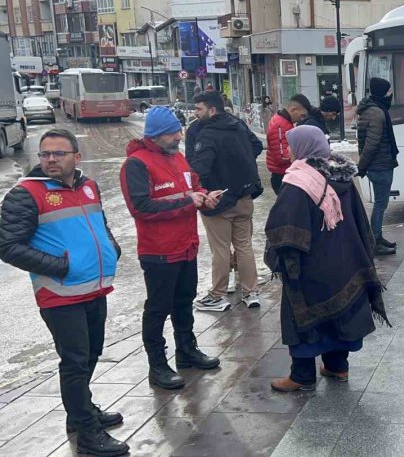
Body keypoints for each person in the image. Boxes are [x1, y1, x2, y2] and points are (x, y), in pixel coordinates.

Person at [0, 129, 128, 456]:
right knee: (74, 362)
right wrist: (60, 266)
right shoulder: (26, 194)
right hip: (59, 293)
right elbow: (8, 245)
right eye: (46, 155)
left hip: (94, 288)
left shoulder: (88, 185)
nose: (51, 160)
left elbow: (100, 224)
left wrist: (112, 249)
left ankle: (80, 412)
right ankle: (87, 433)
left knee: (92, 354)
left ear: (76, 157)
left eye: (59, 154)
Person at [265, 126, 390, 392]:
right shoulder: (341, 176)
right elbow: (360, 221)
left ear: (303, 148)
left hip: (312, 265)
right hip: (346, 262)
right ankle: (336, 366)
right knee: (339, 316)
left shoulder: (299, 183)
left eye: (291, 145)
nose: (288, 150)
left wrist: (282, 262)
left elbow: (284, 229)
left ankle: (301, 376)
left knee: (301, 315)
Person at [120, 108, 221, 391]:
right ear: (155, 135)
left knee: (184, 302)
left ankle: (187, 351)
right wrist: (189, 201)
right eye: (172, 132)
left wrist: (205, 197)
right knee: (158, 308)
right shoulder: (136, 164)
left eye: (179, 130)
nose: (179, 136)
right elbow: (141, 208)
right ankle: (157, 364)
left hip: (187, 246)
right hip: (159, 251)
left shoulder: (178, 157)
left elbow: (194, 186)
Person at [188, 91, 265, 312]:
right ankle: (251, 292)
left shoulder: (206, 134)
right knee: (244, 245)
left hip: (218, 199)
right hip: (244, 194)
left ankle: (217, 295)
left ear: (212, 110)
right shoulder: (238, 125)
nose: (195, 113)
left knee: (220, 249)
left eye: (199, 109)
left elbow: (199, 168)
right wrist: (240, 163)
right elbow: (257, 146)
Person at [356, 77, 400, 255]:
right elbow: (371, 144)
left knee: (380, 204)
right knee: (381, 204)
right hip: (380, 165)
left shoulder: (370, 109)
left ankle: (377, 237)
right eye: (389, 92)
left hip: (377, 165)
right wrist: (362, 166)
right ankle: (375, 241)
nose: (391, 95)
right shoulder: (377, 113)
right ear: (382, 93)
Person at [266, 96, 304, 193]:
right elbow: (281, 157)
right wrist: (303, 157)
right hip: (282, 176)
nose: (301, 119)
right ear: (293, 109)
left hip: (283, 174)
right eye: (301, 115)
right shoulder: (281, 125)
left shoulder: (283, 121)